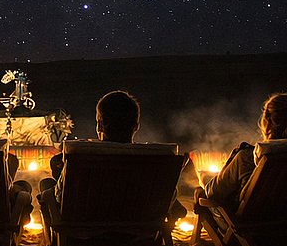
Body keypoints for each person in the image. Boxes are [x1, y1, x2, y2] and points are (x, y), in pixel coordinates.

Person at [37, 90, 183, 220]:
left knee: (47, 185)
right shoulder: (160, 159)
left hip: (82, 231)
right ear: (136, 126)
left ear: (100, 125)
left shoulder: (80, 155)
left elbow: (58, 196)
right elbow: (168, 198)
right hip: (140, 232)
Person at [198, 92, 287, 212]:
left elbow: (213, 193)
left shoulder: (250, 157)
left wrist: (205, 180)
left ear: (267, 121)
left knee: (201, 195)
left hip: (255, 225)